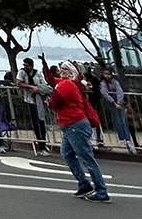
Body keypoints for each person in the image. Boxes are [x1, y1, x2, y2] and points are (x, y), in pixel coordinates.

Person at [44, 59, 109, 202]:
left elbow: (53, 102)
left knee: (86, 158)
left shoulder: (66, 84)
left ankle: (101, 190)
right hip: (71, 125)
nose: (62, 71)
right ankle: (84, 183)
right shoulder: (68, 84)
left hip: (74, 124)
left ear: (71, 72)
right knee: (67, 153)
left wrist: (51, 93)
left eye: (65, 69)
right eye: (61, 68)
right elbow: (50, 81)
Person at [16, 58, 51, 152]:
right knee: (36, 123)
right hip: (30, 100)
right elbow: (18, 83)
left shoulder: (38, 73)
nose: (25, 67)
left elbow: (45, 85)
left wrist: (38, 89)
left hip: (39, 100)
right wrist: (30, 87)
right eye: (24, 65)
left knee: (41, 122)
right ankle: (41, 144)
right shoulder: (22, 72)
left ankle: (43, 142)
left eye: (27, 65)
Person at [99, 68, 134, 151]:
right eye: (105, 74)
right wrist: (114, 102)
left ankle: (127, 139)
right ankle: (122, 138)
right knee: (117, 121)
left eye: (108, 74)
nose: (107, 76)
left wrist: (119, 102)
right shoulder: (103, 83)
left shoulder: (115, 82)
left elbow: (119, 92)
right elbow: (104, 93)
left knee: (123, 121)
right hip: (112, 104)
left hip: (119, 103)